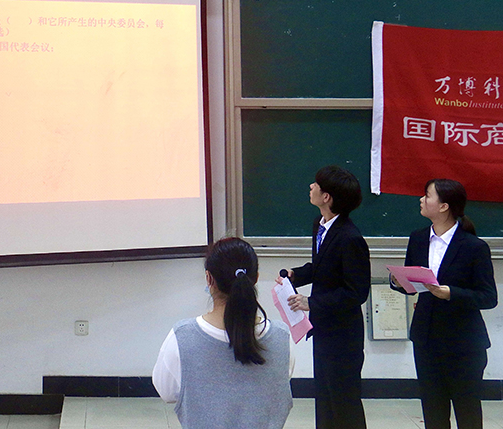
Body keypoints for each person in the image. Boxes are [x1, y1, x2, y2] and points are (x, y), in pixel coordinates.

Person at [152, 237, 294, 429]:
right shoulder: (282, 338)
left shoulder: (181, 338)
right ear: (256, 278)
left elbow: (167, 392)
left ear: (209, 278)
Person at [390, 178, 497, 429]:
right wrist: (397, 281)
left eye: (427, 196)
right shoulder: (418, 238)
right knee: (433, 410)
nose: (421, 200)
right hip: (426, 338)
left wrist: (451, 293)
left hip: (464, 343)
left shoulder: (474, 247)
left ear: (444, 206)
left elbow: (488, 297)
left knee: (467, 410)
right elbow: (412, 284)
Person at [277, 165, 370, 429]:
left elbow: (356, 292)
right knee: (326, 399)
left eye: (316, 185)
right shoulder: (321, 225)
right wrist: (296, 275)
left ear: (327, 197)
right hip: (324, 328)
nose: (311, 187)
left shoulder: (350, 238)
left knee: (344, 402)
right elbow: (322, 268)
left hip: (343, 335)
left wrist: (311, 303)